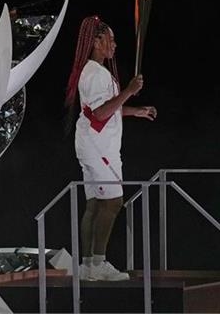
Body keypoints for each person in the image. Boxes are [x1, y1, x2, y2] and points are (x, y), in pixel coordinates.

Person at [64, 15, 157, 281]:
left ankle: (87, 265)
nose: (115, 45)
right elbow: (101, 114)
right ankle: (99, 264)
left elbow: (107, 109)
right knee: (113, 202)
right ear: (97, 41)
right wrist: (128, 90)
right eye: (111, 39)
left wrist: (136, 110)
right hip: (99, 147)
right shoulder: (94, 73)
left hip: (93, 144)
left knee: (94, 204)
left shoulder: (94, 72)